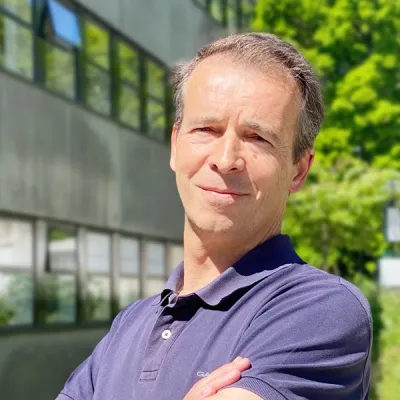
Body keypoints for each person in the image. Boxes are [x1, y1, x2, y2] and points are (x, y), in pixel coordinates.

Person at [57, 33, 371, 400]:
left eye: (257, 137)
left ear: (299, 169)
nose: (225, 159)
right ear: (175, 145)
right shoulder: (129, 325)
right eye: (206, 129)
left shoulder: (320, 310)